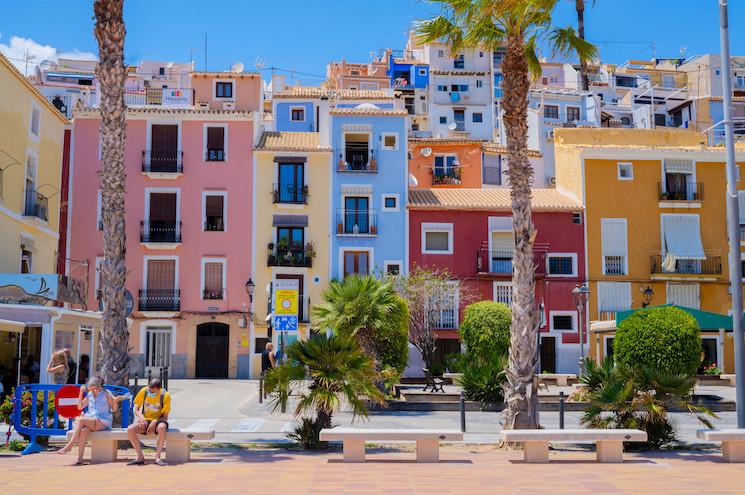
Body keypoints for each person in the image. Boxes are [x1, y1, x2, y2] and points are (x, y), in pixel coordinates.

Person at [57, 376, 125, 465]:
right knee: (84, 431)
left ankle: (69, 446)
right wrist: (81, 392)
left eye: (96, 389)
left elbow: (114, 409)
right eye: (92, 389)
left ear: (100, 387)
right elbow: (80, 407)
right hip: (92, 420)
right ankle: (80, 459)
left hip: (103, 421)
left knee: (81, 420)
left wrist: (115, 401)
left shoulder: (106, 393)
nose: (94, 391)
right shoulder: (90, 394)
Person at [127, 378, 171, 466]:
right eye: (149, 390)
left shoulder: (165, 396)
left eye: (153, 391)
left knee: (162, 428)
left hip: (159, 421)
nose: (150, 393)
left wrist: (155, 421)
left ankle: (158, 457)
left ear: (158, 389)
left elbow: (165, 417)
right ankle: (140, 457)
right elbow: (135, 408)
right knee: (130, 429)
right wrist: (141, 417)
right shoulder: (144, 391)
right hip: (145, 420)